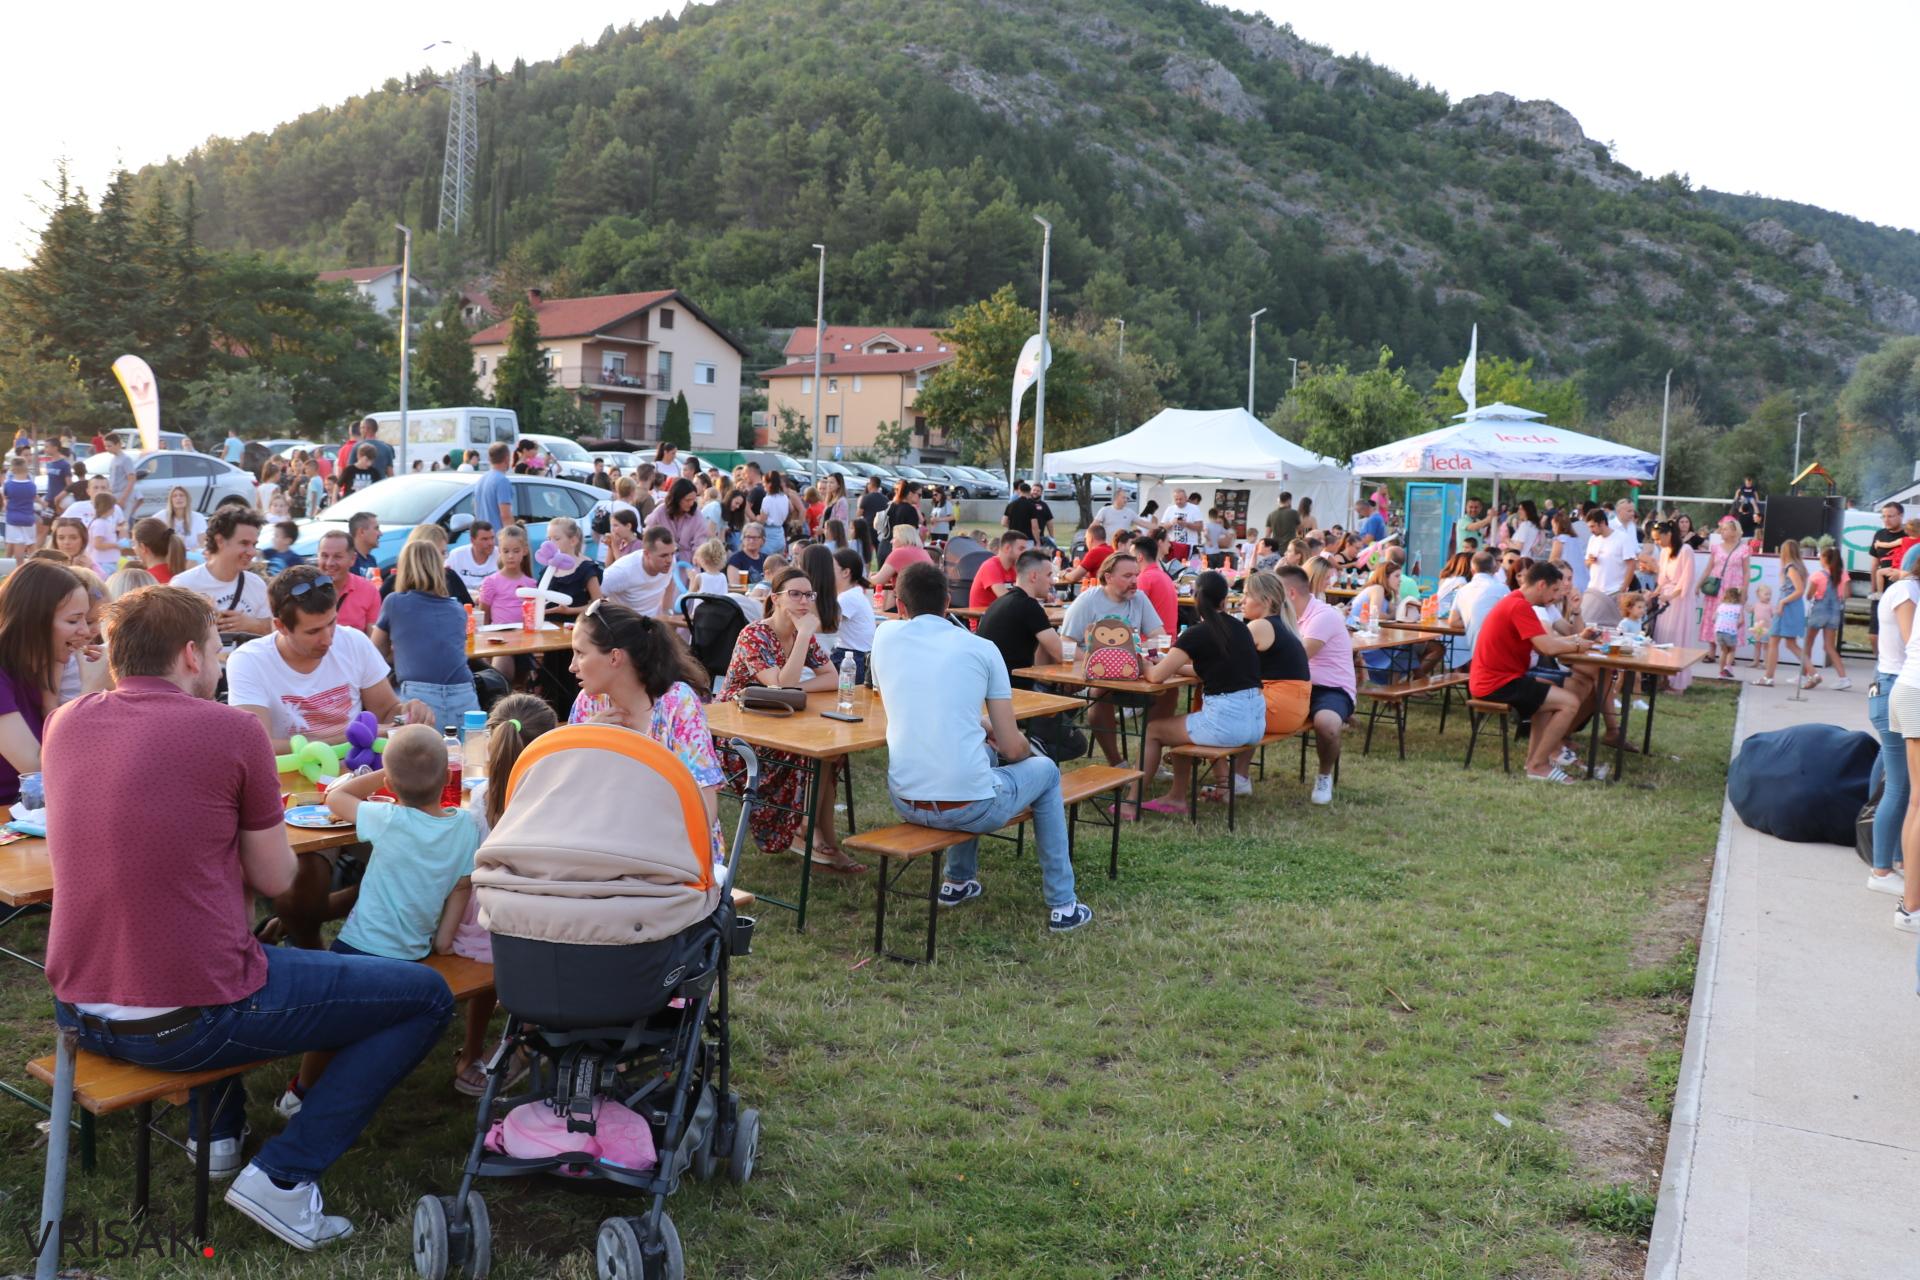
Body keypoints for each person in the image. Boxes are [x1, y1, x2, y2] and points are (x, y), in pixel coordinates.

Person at [44, 584, 453, 1247]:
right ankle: (285, 1176)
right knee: (426, 996)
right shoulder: (231, 729)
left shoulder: (68, 722)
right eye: (215, 647)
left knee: (224, 938)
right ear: (188, 656)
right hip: (189, 1016)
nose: (221, 660)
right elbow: (277, 878)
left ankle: (221, 1131)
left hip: (80, 1010)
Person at [871, 560, 1092, 931]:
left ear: (900, 605)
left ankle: (958, 881)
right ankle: (1063, 905)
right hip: (970, 807)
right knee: (1046, 771)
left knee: (978, 756)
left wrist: (979, 727)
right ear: (948, 603)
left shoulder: (884, 637)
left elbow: (923, 698)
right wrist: (1003, 736)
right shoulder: (981, 648)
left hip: (906, 799)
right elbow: (1015, 749)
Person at [275, 723, 481, 1117]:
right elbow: (460, 888)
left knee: (331, 1026)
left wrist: (381, 776)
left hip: (358, 947)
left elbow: (336, 797)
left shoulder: (387, 818)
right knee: (374, 1024)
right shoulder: (464, 829)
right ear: (446, 776)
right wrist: (442, 943)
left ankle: (300, 1093)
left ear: (389, 781)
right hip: (411, 955)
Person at [718, 566, 859, 870]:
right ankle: (806, 831)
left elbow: (832, 677)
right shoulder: (754, 634)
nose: (804, 601)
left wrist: (795, 690)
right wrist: (804, 640)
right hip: (738, 733)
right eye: (794, 594)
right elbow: (779, 684)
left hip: (778, 720)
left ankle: (822, 837)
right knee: (811, 755)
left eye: (809, 595)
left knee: (830, 753)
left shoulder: (797, 633)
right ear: (776, 598)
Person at [228, 566, 432, 752]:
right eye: (313, 631)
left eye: (332, 622)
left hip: (354, 774)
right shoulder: (248, 661)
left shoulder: (354, 641)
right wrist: (348, 739)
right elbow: (257, 745)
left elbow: (387, 711)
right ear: (281, 627)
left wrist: (408, 713)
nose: (327, 639)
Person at [1125, 570, 1265, 816]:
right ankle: (1176, 797)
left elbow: (1157, 677)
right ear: (1224, 600)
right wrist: (1173, 665)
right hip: (1255, 722)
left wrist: (1145, 663)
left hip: (1227, 723)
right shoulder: (1241, 629)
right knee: (1183, 728)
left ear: (1195, 598)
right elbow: (1209, 670)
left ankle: (1131, 803)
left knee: (1153, 730)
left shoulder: (1197, 633)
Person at [1470, 562, 1594, 784]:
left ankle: (1535, 762)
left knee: (1549, 690)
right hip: (1497, 683)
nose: (1557, 596)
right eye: (1555, 590)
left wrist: (1577, 639)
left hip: (1495, 678)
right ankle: (1539, 765)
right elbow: (1547, 648)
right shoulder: (1520, 607)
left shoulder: (1515, 602)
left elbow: (1544, 643)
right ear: (1542, 585)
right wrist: (1577, 645)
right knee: (1570, 702)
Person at [1060, 552, 1167, 765]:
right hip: (1093, 674)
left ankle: (1148, 757)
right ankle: (1117, 761)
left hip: (1131, 670)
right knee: (1101, 690)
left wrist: (1150, 653)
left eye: (1136, 575)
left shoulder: (1139, 598)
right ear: (1108, 577)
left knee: (1169, 689)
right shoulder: (1088, 601)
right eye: (1127, 576)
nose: (1135, 581)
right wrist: (1095, 661)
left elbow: (1160, 636)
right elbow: (1065, 642)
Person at [0, 560, 92, 804]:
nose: (86, 631)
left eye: (87, 620)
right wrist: (90, 693)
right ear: (33, 622)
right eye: (74, 621)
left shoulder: (41, 669)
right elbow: (38, 771)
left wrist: (50, 702)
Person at [373, 541, 482, 730]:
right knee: (469, 756)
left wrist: (401, 651)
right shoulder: (457, 609)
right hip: (464, 694)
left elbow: (375, 655)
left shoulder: (394, 603)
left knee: (415, 754)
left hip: (418, 698)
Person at [1226, 569, 1311, 796]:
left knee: (1214, 702)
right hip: (1295, 709)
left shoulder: (1259, 626)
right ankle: (1238, 777)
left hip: (1278, 709)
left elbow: (1221, 664)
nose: (1241, 600)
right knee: (1245, 699)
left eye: (1246, 595)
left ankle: (1223, 779)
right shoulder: (1284, 625)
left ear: (1266, 600)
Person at [1870, 548, 1920, 914]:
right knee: (1901, 788)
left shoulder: (1902, 589)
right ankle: (1883, 867)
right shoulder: (1907, 592)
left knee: (1899, 784)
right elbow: (1910, 643)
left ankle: (1897, 862)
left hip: (1892, 685)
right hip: (1897, 685)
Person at [1279, 561, 1351, 805]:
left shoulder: (1324, 616)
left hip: (1330, 688)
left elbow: (1298, 657)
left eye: (1275, 592)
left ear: (1290, 593)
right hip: (1296, 684)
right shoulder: (1284, 615)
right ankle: (1239, 776)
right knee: (1250, 705)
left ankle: (1324, 776)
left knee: (1327, 724)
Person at [174, 506, 272, 639]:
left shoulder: (256, 584)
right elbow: (171, 639)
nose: (252, 552)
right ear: (220, 541)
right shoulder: (184, 585)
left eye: (254, 545)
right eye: (244, 543)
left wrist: (253, 625)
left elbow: (272, 633)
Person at [976, 549, 1063, 684]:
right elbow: (1061, 653)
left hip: (985, 684)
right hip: (1011, 688)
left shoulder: (1000, 602)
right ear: (1033, 576)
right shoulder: (1028, 606)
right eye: (1049, 575)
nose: (1052, 582)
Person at [1649, 520, 1700, 693]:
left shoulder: (1686, 550)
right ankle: (1663, 678)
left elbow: (1687, 579)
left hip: (1679, 600)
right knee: (1662, 637)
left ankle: (1678, 682)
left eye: (1658, 538)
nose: (1657, 542)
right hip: (1666, 598)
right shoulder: (1664, 552)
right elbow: (1662, 578)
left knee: (1677, 638)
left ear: (1668, 534)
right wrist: (1655, 593)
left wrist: (1671, 595)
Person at [1761, 538, 1810, 688]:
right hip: (1793, 607)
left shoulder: (1791, 568)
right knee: (1790, 643)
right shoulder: (1799, 567)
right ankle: (1813, 673)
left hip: (1786, 607)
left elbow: (1799, 590)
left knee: (1774, 641)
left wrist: (1782, 602)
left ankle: (1768, 676)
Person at [313, 529, 383, 633]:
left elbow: (372, 641)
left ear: (352, 559)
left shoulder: (368, 591)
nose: (329, 563)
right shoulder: (304, 590)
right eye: (324, 556)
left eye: (337, 556)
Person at [1803, 543, 1851, 691]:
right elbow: (1847, 594)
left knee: (1808, 644)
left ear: (1824, 559)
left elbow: (1809, 595)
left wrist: (1814, 595)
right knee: (1829, 646)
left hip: (1819, 611)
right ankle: (1843, 678)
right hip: (1834, 613)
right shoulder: (1843, 574)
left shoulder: (1818, 575)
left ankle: (1807, 675)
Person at [830, 548, 877, 680]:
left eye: (831, 567)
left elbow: (826, 626)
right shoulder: (854, 593)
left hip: (852, 658)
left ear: (846, 572)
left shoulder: (847, 597)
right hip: (859, 657)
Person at [871, 524, 935, 611]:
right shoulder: (923, 552)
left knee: (889, 594)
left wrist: (867, 576)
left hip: (909, 607)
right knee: (890, 592)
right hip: (928, 604)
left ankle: (884, 619)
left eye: (894, 538)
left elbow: (878, 581)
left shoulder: (899, 552)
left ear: (903, 538)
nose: (891, 541)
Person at [1131, 535, 1180, 636]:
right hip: (1168, 640)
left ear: (1139, 557)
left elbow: (1133, 614)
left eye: (1131, 557)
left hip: (1151, 643)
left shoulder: (1144, 578)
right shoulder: (1165, 577)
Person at [645, 477, 709, 553]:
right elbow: (648, 536)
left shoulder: (697, 515)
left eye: (693, 500)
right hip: (663, 559)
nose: (691, 504)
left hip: (688, 562)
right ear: (677, 498)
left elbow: (700, 542)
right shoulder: (660, 512)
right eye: (688, 500)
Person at [968, 531, 1029, 608]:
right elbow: (1005, 597)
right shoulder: (991, 566)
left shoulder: (1013, 568)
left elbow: (1026, 592)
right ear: (1007, 548)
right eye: (1021, 549)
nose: (1025, 553)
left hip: (1005, 614)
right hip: (983, 618)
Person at [447, 520, 498, 595]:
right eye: (485, 539)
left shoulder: (500, 554)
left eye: (492, 538)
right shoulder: (456, 555)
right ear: (472, 540)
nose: (490, 543)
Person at [131, 517, 187, 583]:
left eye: (134, 543)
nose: (133, 548)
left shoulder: (143, 581)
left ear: (143, 547)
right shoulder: (181, 577)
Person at [475, 441, 515, 532]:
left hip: (483, 536)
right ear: (507, 458)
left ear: (489, 458)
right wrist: (511, 538)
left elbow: (477, 510)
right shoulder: (502, 481)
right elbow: (505, 516)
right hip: (497, 538)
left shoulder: (481, 480)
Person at [4, 454, 38, 560]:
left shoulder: (8, 484)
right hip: (28, 517)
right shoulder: (32, 485)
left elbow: (6, 497)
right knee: (32, 543)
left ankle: (19, 567)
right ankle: (36, 564)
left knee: (18, 543)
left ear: (13, 469)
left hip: (13, 518)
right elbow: (33, 498)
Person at [1871, 501, 1908, 594]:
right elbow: (1874, 564)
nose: (1886, 520)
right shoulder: (1879, 534)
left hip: (1904, 589)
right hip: (1882, 589)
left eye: (1890, 516)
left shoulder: (1911, 535)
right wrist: (1873, 589)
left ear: (1901, 515)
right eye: (1883, 516)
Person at [1160, 488, 1205, 562]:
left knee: (1193, 570)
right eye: (1176, 499)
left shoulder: (1194, 508)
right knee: (1171, 570)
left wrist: (1186, 524)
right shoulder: (1170, 509)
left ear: (1186, 498)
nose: (1178, 501)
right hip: (1173, 546)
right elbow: (1161, 528)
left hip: (1191, 546)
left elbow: (1200, 527)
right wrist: (1171, 523)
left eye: (1180, 499)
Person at [84, 490, 121, 576]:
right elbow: (98, 544)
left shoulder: (103, 522)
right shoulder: (100, 524)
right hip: (103, 564)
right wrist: (116, 545)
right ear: (108, 507)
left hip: (107, 562)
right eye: (113, 506)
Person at [759, 470, 795, 555]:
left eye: (764, 482)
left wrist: (757, 520)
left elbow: (763, 520)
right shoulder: (785, 497)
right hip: (780, 531)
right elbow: (792, 509)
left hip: (769, 533)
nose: (763, 484)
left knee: (765, 559)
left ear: (770, 484)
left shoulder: (767, 499)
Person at [1713, 587, 1745, 680]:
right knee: (1731, 650)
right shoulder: (1739, 607)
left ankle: (1721, 672)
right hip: (1731, 631)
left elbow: (1713, 619)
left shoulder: (1721, 606)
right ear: (1738, 597)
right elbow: (1741, 621)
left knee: (1723, 651)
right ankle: (1727, 667)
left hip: (1719, 631)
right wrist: (1736, 627)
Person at [101, 433, 136, 514]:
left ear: (118, 444)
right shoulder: (113, 459)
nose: (107, 448)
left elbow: (132, 480)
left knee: (122, 523)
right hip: (113, 495)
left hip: (123, 496)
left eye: (109, 446)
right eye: (105, 446)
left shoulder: (126, 459)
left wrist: (123, 499)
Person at [346, 511, 382, 580]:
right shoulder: (349, 561)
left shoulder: (371, 560)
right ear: (362, 532)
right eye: (376, 528)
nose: (380, 533)